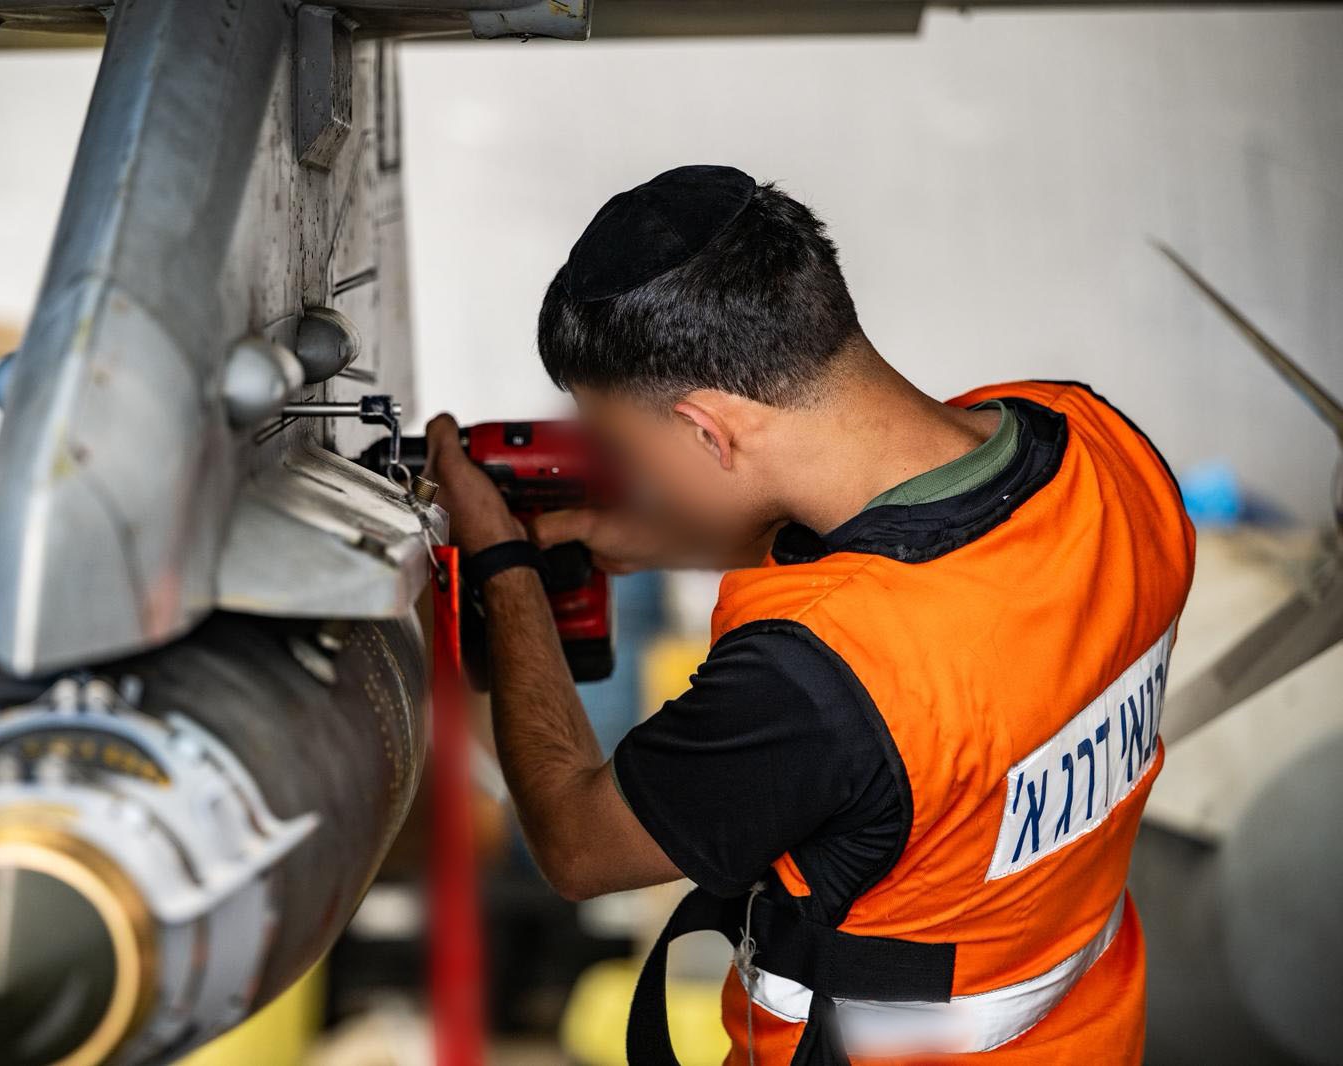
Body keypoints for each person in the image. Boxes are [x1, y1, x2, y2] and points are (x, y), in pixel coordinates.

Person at [424, 164, 1194, 1066]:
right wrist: (658, 536)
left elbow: (575, 845)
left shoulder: (815, 677)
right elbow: (931, 565)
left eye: (634, 451)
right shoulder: (1104, 446)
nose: (637, 479)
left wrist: (504, 567)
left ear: (708, 430)